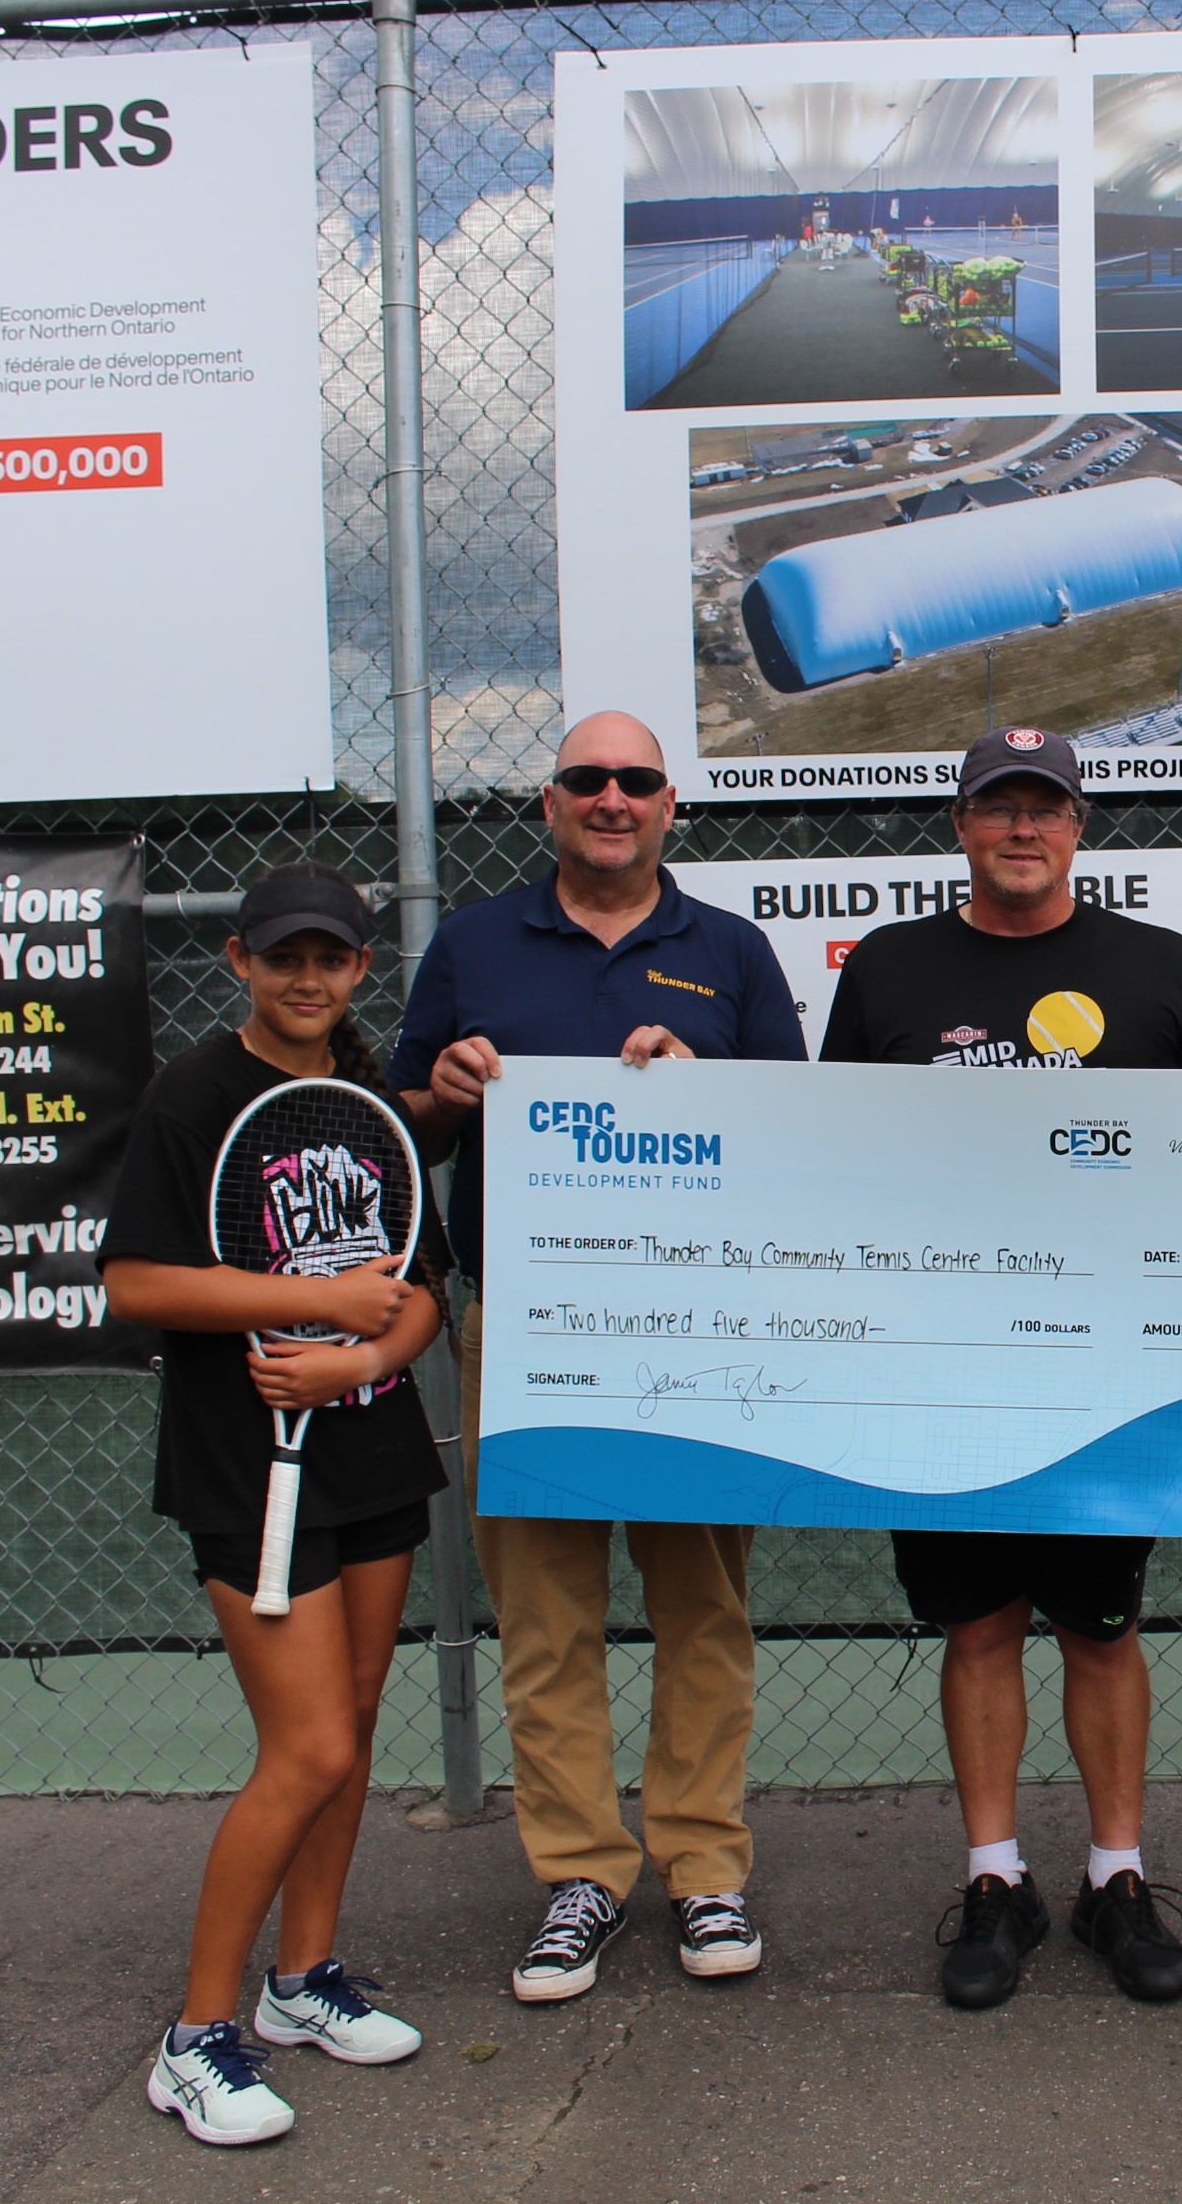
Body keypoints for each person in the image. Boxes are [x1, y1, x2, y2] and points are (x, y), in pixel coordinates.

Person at [389, 712, 807, 2003]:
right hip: (527, 1322)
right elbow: (399, 1123)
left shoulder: (727, 950)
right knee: (547, 1617)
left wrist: (705, 1085)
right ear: (548, 804)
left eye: (635, 780)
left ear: (670, 804)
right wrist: (444, 1098)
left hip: (693, 1323)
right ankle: (578, 1870)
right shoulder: (470, 944)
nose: (611, 798)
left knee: (701, 1611)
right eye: (587, 781)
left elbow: (795, 1135)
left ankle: (701, 1864)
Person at [820, 727, 1182, 2012]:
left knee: (1099, 1628)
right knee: (981, 1623)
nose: (1020, 830)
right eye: (996, 808)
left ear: (1077, 826)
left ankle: (1117, 1875)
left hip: (1106, 1372)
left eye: (1042, 808)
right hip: (939, 1366)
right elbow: (828, 1152)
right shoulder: (888, 968)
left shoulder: (1156, 966)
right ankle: (996, 1877)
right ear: (959, 826)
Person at [103, 866, 450, 2146]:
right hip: (250, 1472)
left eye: (334, 959)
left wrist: (362, 1358)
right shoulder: (195, 1096)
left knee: (350, 1727)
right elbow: (137, 1282)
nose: (309, 979)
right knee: (302, 1749)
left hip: (370, 1453)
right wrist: (295, 1318)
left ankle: (301, 1982)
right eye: (285, 957)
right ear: (240, 961)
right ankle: (196, 2039)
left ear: (362, 971)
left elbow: (416, 1288)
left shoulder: (367, 1103)